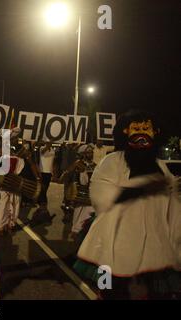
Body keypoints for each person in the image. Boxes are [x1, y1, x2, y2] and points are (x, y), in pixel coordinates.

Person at [75, 110, 181, 299]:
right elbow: (103, 199)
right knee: (108, 290)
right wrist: (145, 186)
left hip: (152, 244)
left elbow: (172, 207)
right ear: (124, 132)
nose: (142, 134)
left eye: (146, 129)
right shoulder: (111, 162)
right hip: (113, 244)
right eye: (136, 129)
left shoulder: (161, 166)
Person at [60, 144, 96, 241]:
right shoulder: (78, 163)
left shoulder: (95, 165)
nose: (91, 154)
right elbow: (64, 177)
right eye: (88, 152)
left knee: (88, 220)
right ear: (83, 154)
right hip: (80, 197)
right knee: (77, 221)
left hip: (91, 198)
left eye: (91, 152)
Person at [30, 140, 56, 224]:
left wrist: (54, 172)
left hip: (49, 173)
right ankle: (43, 210)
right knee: (42, 191)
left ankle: (42, 210)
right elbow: (44, 150)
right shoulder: (42, 148)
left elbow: (52, 162)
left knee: (44, 191)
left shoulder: (53, 149)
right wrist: (48, 143)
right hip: (42, 173)